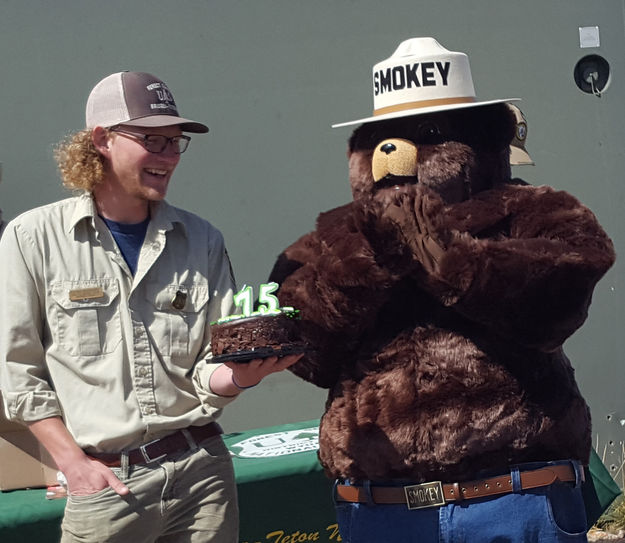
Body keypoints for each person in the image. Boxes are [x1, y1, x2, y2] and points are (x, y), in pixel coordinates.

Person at [0, 71, 300, 543]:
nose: (167, 156)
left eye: (174, 142)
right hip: (107, 487)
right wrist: (72, 464)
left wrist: (243, 374)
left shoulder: (201, 239)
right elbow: (18, 369)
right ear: (102, 139)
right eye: (151, 140)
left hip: (202, 476)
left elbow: (210, 366)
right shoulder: (32, 238)